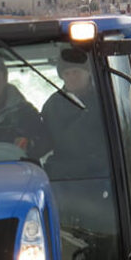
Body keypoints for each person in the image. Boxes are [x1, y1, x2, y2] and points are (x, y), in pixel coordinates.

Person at [40, 49, 107, 178]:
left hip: (106, 172)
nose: (71, 77)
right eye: (67, 73)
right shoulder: (52, 106)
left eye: (76, 72)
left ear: (88, 72)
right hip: (67, 176)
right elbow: (46, 141)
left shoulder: (106, 99)